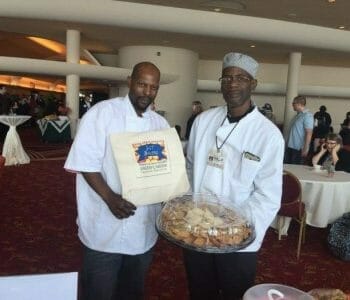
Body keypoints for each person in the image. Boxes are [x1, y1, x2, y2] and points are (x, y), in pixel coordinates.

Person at [64, 62, 169, 300]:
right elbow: (85, 163)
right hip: (104, 226)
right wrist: (110, 198)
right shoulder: (102, 113)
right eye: (142, 84)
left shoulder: (159, 124)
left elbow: (162, 170)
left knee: (131, 291)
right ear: (130, 81)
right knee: (98, 293)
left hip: (143, 229)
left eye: (153, 87)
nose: (147, 92)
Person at [185, 52, 285, 300]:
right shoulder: (203, 121)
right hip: (197, 230)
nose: (233, 84)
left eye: (241, 78)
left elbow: (268, 196)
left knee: (234, 293)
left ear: (253, 84)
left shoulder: (268, 135)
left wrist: (231, 227)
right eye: (227, 78)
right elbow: (189, 167)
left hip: (238, 239)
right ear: (220, 83)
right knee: (200, 291)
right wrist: (186, 206)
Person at [284, 95, 314, 164]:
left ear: (299, 104)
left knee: (295, 168)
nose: (292, 105)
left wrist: (306, 148)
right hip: (290, 146)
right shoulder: (297, 115)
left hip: (298, 148)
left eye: (293, 103)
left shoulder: (307, 116)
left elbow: (309, 132)